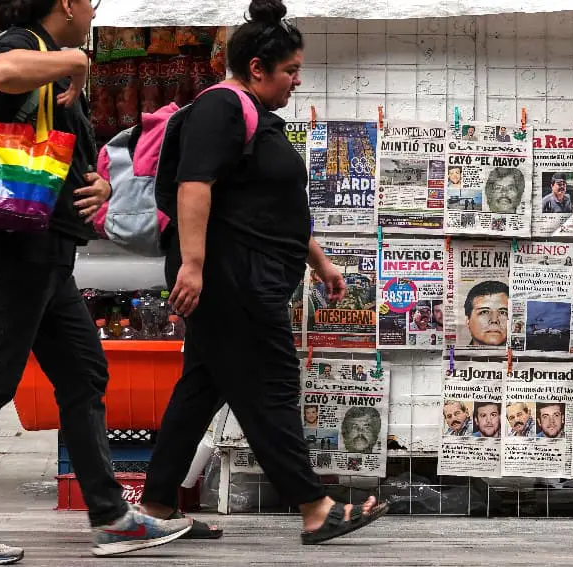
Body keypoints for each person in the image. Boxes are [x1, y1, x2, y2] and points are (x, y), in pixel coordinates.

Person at [0, 0, 196, 562]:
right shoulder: (20, 44)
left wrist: (96, 187)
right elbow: (1, 72)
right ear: (66, 4)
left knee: (83, 373)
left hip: (46, 253)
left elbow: (64, 155)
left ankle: (112, 517)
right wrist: (76, 60)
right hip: (16, 250)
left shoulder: (48, 57)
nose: (93, 10)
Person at [137, 0, 386, 546]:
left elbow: (268, 207)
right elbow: (193, 185)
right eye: (291, 71)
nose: (297, 81)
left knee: (201, 387)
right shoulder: (220, 109)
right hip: (232, 280)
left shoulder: (252, 116)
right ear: (257, 68)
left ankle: (154, 506)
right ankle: (315, 506)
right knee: (270, 385)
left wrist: (318, 261)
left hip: (244, 276)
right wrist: (196, 266)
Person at [464, 281, 509, 347]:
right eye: (484, 312)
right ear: (468, 321)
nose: (494, 320)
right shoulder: (451, 356)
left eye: (503, 312)